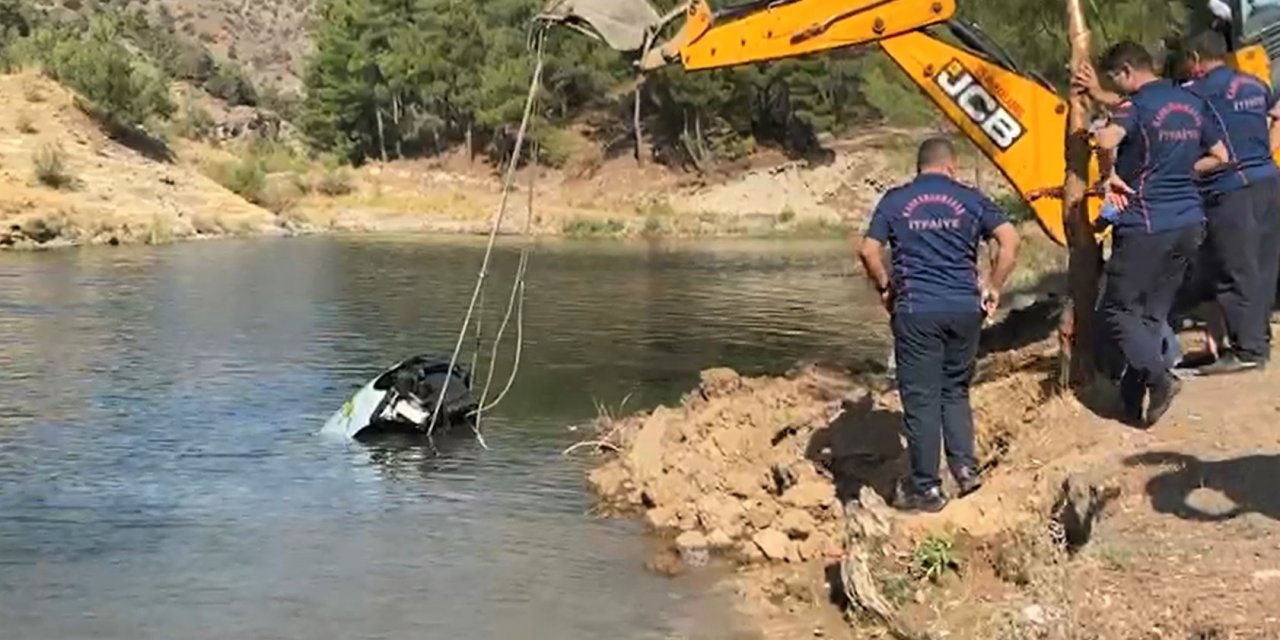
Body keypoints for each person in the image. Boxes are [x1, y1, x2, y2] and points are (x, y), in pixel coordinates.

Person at [857, 136, 1019, 513]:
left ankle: (927, 489)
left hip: (917, 309)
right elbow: (1010, 241)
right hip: (965, 308)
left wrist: (885, 287)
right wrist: (993, 286)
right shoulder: (971, 198)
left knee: (921, 398)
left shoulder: (896, 200)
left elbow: (868, 250)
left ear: (919, 167)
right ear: (952, 166)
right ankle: (965, 469)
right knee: (954, 391)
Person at [1073, 41, 1230, 427]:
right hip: (1189, 222)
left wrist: (1110, 176)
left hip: (1147, 223)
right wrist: (1179, 174)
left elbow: (1106, 140)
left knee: (1117, 310)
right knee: (1150, 314)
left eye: (1115, 79)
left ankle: (1160, 379)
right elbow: (1221, 156)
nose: (1117, 86)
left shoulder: (1135, 107)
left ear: (1127, 71)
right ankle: (1132, 396)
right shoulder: (1192, 103)